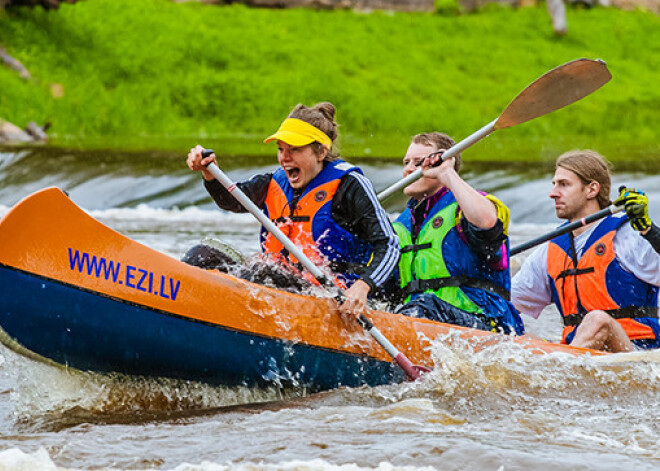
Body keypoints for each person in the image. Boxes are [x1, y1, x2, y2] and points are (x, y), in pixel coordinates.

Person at [186, 102, 399, 317]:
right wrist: (210, 174)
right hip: (280, 283)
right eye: (281, 149)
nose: (284, 158)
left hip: (330, 296)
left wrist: (363, 286)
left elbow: (389, 243)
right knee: (201, 255)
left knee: (262, 274)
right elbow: (230, 200)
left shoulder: (349, 184)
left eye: (294, 150)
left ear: (321, 152)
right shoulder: (274, 182)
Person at [511, 149, 660, 352]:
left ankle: (560, 373)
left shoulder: (628, 236)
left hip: (637, 353)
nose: (552, 193)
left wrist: (649, 230)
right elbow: (507, 305)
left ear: (591, 190)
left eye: (564, 184)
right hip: (579, 354)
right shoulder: (549, 250)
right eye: (554, 184)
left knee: (598, 320)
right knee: (512, 335)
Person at [389, 132, 525, 335]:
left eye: (418, 163)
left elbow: (488, 222)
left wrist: (447, 174)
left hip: (484, 324)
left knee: (425, 305)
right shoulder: (400, 226)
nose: (408, 169)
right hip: (419, 323)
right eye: (406, 162)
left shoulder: (468, 208)